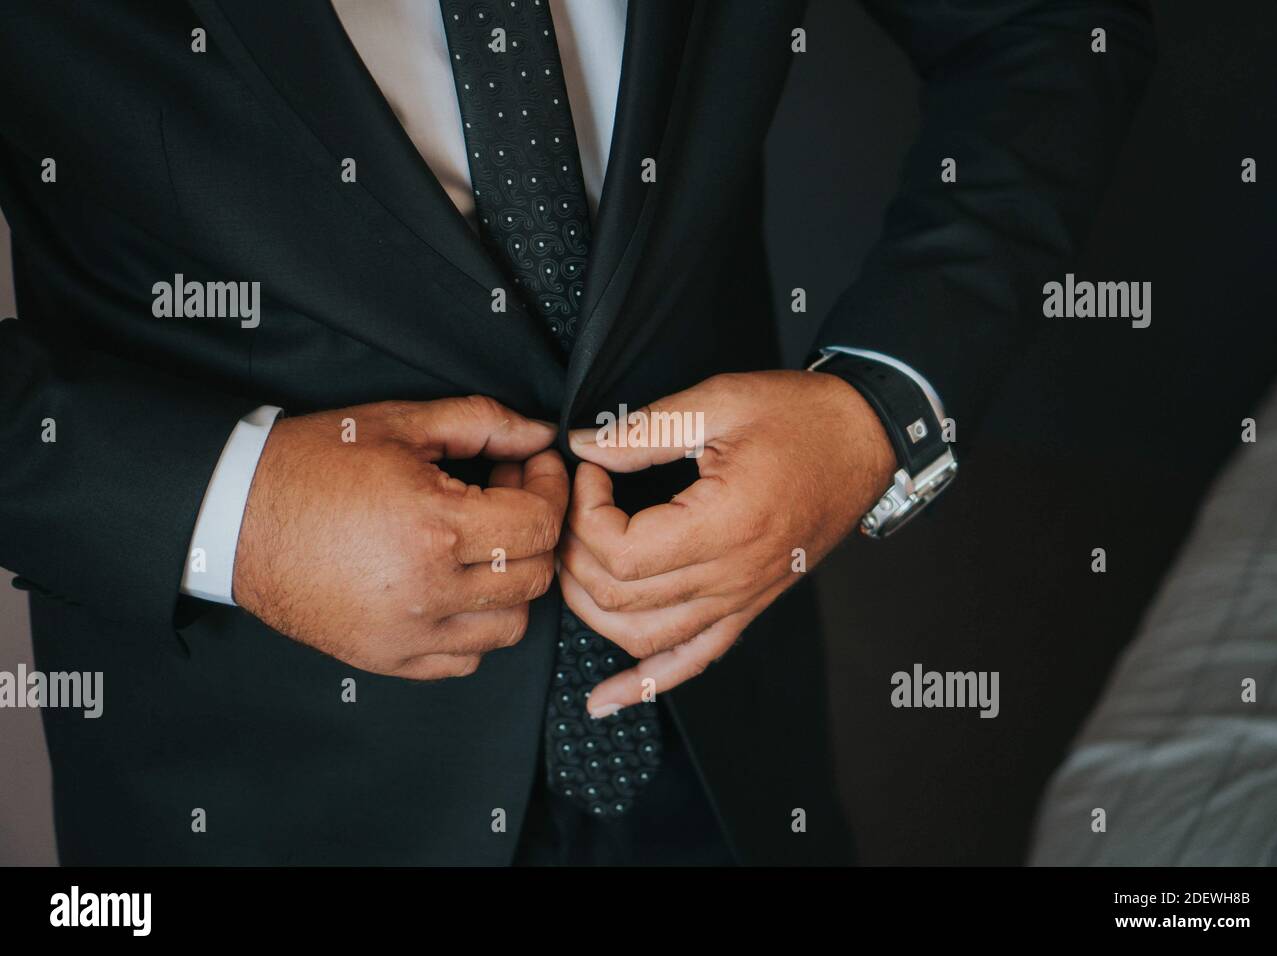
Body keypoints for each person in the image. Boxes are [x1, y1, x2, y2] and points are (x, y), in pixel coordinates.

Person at [0, 0, 1154, 864]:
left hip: (723, 734)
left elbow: (1050, 25)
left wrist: (877, 408)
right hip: (255, 779)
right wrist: (231, 509)